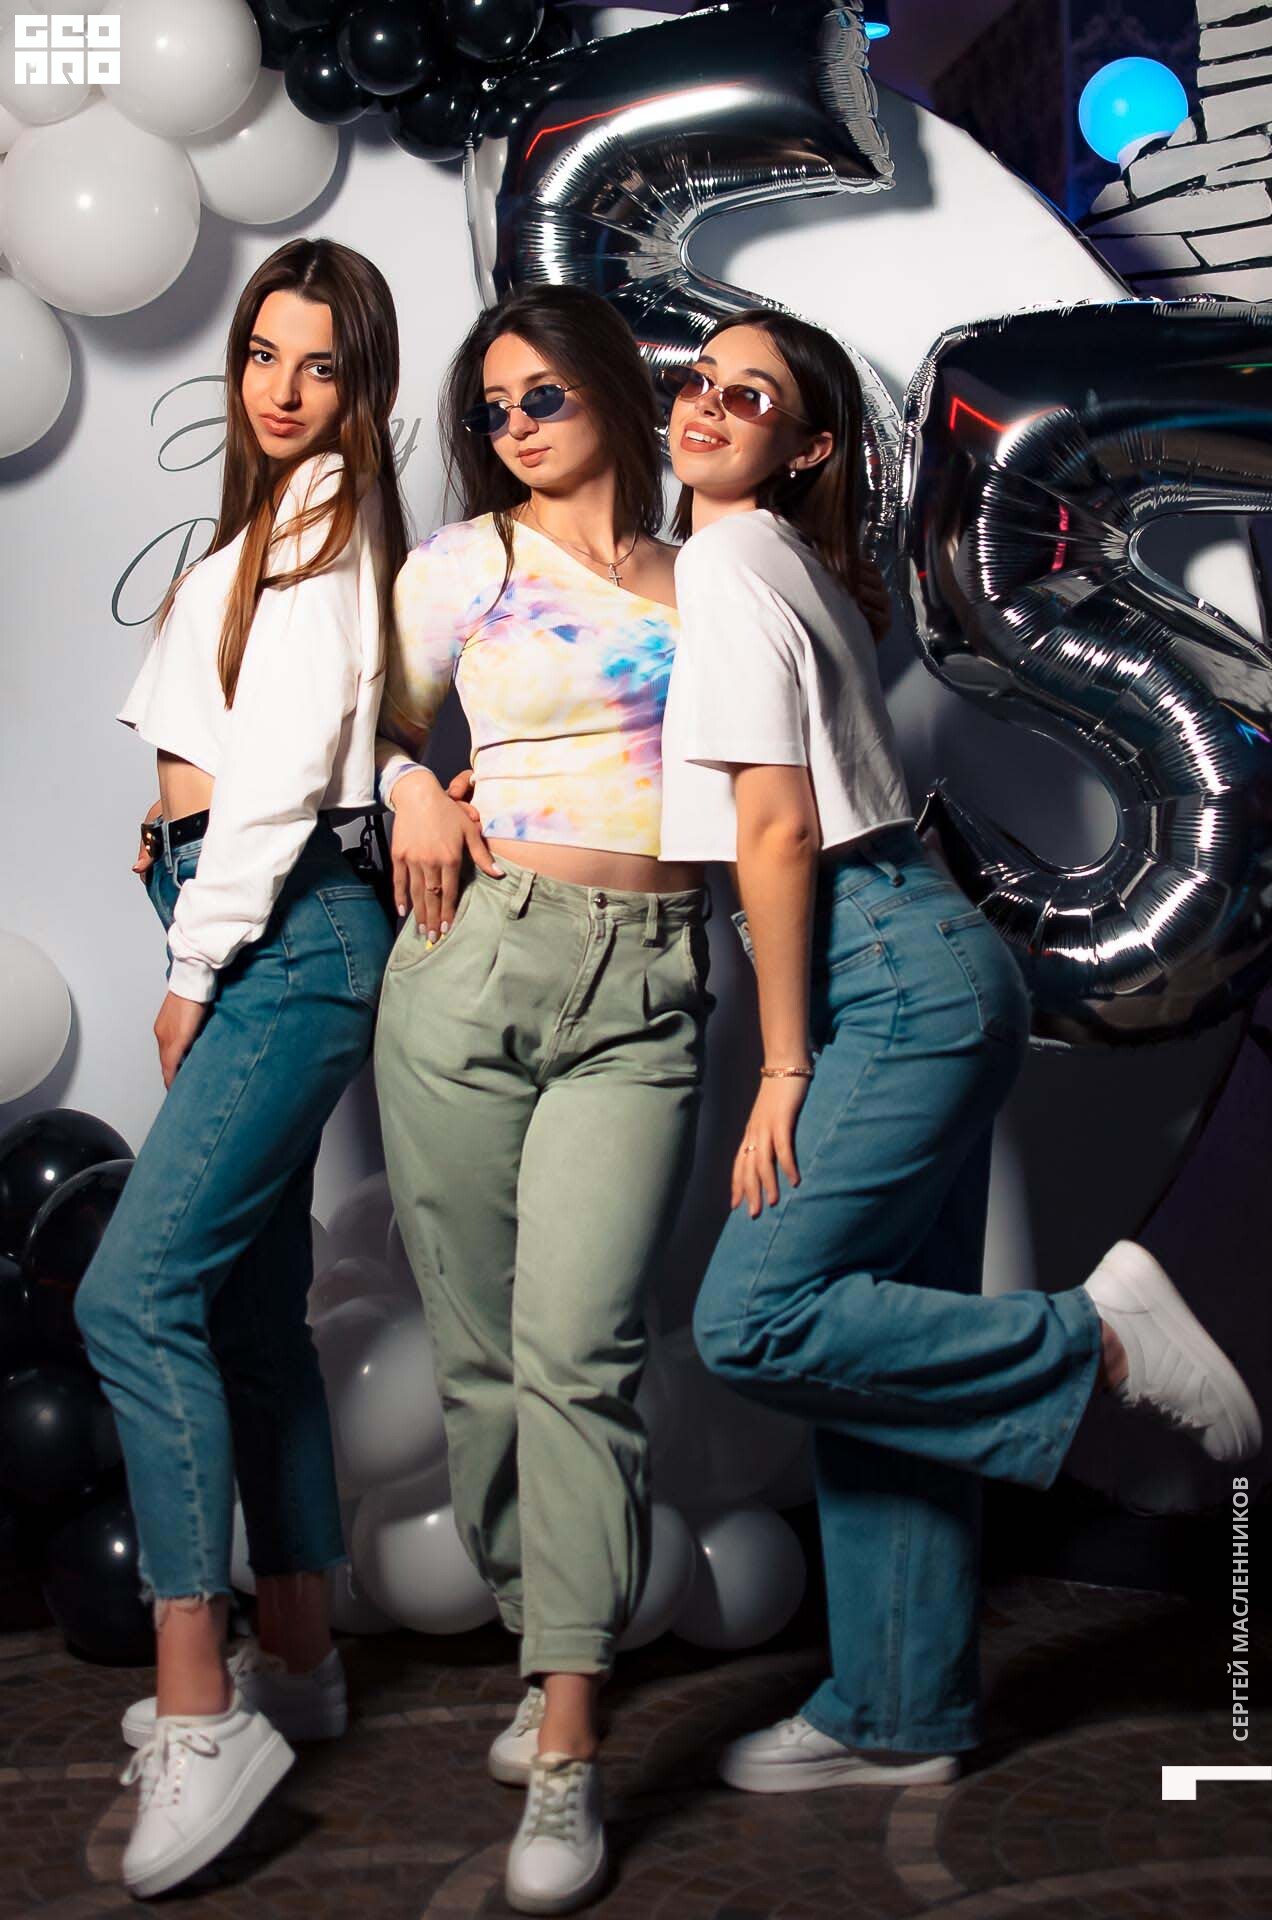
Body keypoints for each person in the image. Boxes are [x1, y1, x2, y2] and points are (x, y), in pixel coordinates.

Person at [658, 309, 1263, 1790]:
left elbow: (777, 827)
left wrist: (783, 1065)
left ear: (808, 446)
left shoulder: (728, 562)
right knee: (883, 1381)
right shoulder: (784, 562)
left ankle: (1099, 1334)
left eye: (752, 395)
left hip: (884, 973)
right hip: (927, 965)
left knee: (759, 1319)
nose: (707, 404)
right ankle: (900, 1709)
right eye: (698, 379)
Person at [373, 283, 714, 1916]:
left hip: (650, 985)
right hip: (473, 963)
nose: (513, 427)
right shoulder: (464, 566)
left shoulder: (706, 575)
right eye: (491, 408)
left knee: (581, 1350)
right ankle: (542, 1639)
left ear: (610, 395)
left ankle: (571, 1741)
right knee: (483, 1357)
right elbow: (367, 722)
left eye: (542, 397)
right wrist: (409, 785)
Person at [74, 238, 405, 1898]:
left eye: (319, 364)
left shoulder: (328, 535)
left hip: (275, 937)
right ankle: (300, 1654)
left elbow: (277, 782)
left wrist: (196, 964)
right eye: (264, 355)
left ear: (362, 387)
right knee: (251, 1318)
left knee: (131, 1301)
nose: (282, 388)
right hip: (256, 923)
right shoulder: (278, 526)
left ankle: (203, 1712)